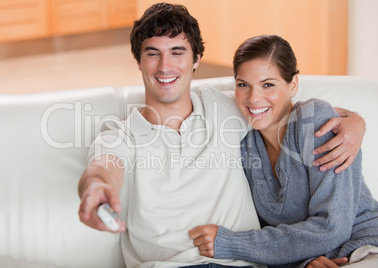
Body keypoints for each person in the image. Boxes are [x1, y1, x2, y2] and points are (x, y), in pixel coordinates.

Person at [78, 3, 365, 268]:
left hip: (237, 263)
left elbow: (281, 107)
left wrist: (354, 120)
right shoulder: (120, 134)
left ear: (196, 59)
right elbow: (103, 167)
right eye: (153, 53)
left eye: (177, 52)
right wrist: (95, 188)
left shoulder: (226, 107)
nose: (165, 66)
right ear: (138, 61)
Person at [189, 35, 378, 268]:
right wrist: (306, 261)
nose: (254, 98)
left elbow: (332, 227)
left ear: (293, 85)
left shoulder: (314, 120)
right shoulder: (244, 140)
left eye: (268, 84)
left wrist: (233, 243)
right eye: (243, 84)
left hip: (364, 247)